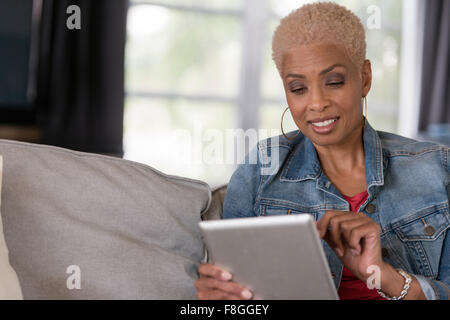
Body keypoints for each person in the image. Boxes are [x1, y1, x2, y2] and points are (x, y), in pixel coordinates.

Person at [195, 2, 450, 300]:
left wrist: (383, 275)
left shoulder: (437, 167)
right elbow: (234, 291)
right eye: (298, 88)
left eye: (334, 82)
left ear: (364, 77)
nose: (316, 103)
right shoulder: (261, 170)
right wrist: (219, 296)